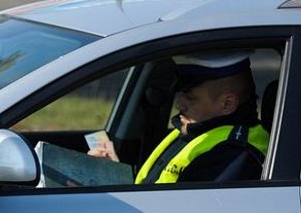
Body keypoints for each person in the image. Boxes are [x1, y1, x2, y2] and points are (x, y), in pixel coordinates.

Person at [90, 52, 269, 184]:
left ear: (227, 104)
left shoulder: (233, 154)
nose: (179, 104)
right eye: (182, 94)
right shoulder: (194, 129)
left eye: (190, 98)